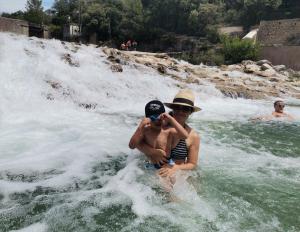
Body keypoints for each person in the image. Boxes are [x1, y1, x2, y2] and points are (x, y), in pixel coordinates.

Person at [135, 90, 201, 178]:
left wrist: (176, 167)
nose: (181, 111)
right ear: (172, 108)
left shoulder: (193, 136)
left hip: (177, 173)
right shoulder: (157, 124)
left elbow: (192, 164)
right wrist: (152, 152)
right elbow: (137, 142)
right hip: (150, 170)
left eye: (185, 109)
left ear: (191, 112)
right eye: (177, 107)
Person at [129, 100, 189, 169]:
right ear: (147, 118)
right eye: (153, 118)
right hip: (149, 163)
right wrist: (141, 126)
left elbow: (185, 136)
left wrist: (171, 119)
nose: (157, 121)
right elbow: (132, 145)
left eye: (160, 118)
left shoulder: (168, 130)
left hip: (166, 164)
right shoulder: (145, 130)